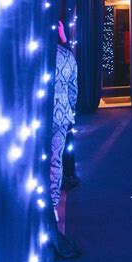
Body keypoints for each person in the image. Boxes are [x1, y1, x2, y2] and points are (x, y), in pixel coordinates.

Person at [50, 19, 78, 217]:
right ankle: (53, 206)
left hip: (39, 117)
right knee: (55, 160)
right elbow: (72, 91)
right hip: (61, 115)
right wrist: (70, 111)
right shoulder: (68, 56)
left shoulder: (34, 55)